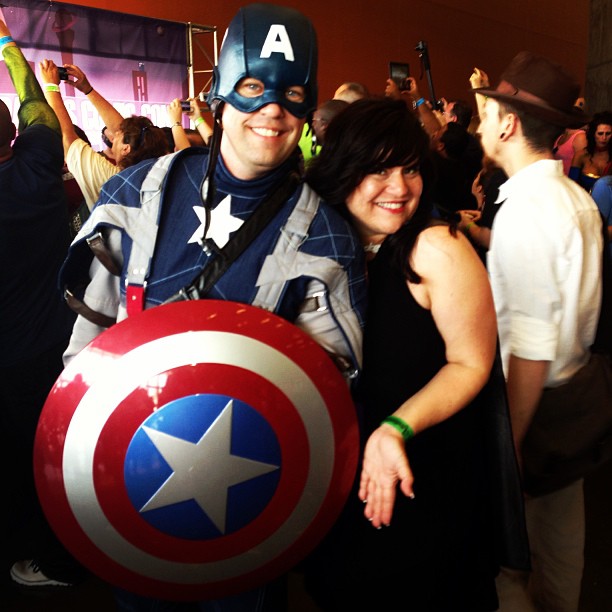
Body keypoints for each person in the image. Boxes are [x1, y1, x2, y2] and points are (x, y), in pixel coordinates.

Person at [50, 3, 366, 610]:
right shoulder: (132, 196)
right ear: (219, 96)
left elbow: (326, 394)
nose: (272, 109)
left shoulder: (325, 237)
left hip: (249, 493)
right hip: (127, 471)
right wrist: (80, 447)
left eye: (293, 94)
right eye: (252, 88)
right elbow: (85, 354)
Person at [303, 97, 519, 611]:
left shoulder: (436, 247)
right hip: (339, 487)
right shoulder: (314, 246)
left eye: (410, 168)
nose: (400, 188)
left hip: (424, 479)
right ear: (341, 169)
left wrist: (395, 429)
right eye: (378, 169)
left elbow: (472, 363)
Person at [473, 52, 603, 611]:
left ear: (509, 124)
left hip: (535, 407)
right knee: (559, 547)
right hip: (573, 400)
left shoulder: (528, 209)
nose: (479, 124)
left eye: (487, 113)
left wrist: (512, 445)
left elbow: (528, 347)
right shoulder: (572, 195)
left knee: (508, 561)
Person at [0, 12, 81, 589]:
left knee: (17, 464)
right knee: (54, 455)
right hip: (58, 343)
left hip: (7, 358)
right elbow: (33, 100)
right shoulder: (38, 164)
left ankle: (51, 561)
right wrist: (6, 43)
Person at [39, 60, 169, 210]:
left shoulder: (112, 177)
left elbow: (68, 136)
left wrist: (50, 86)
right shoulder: (153, 172)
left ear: (126, 149)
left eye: (118, 135)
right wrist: (87, 89)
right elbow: (124, 130)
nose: (114, 134)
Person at [569, 110, 612, 191]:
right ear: (593, 134)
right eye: (600, 133)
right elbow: (571, 186)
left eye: (608, 133)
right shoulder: (581, 155)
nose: (604, 138)